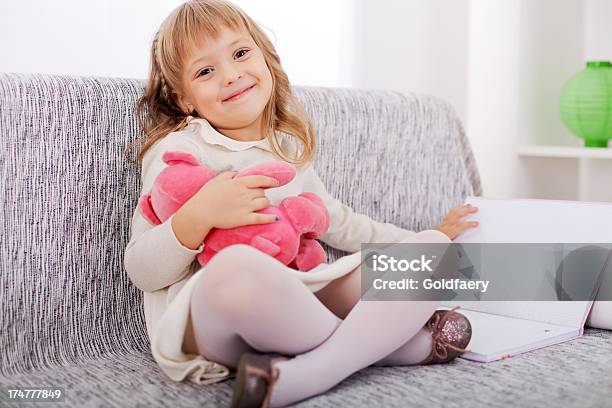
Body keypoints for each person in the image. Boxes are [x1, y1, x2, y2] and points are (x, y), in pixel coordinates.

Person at [123, 1, 479, 406]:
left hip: (297, 297)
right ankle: (394, 348)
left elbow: (342, 224)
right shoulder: (180, 149)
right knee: (238, 265)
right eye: (206, 71)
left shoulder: (287, 147)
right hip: (214, 317)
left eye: (240, 54)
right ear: (184, 98)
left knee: (434, 254)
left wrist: (431, 234)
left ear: (266, 58)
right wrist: (200, 214)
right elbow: (142, 270)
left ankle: (310, 369)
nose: (231, 75)